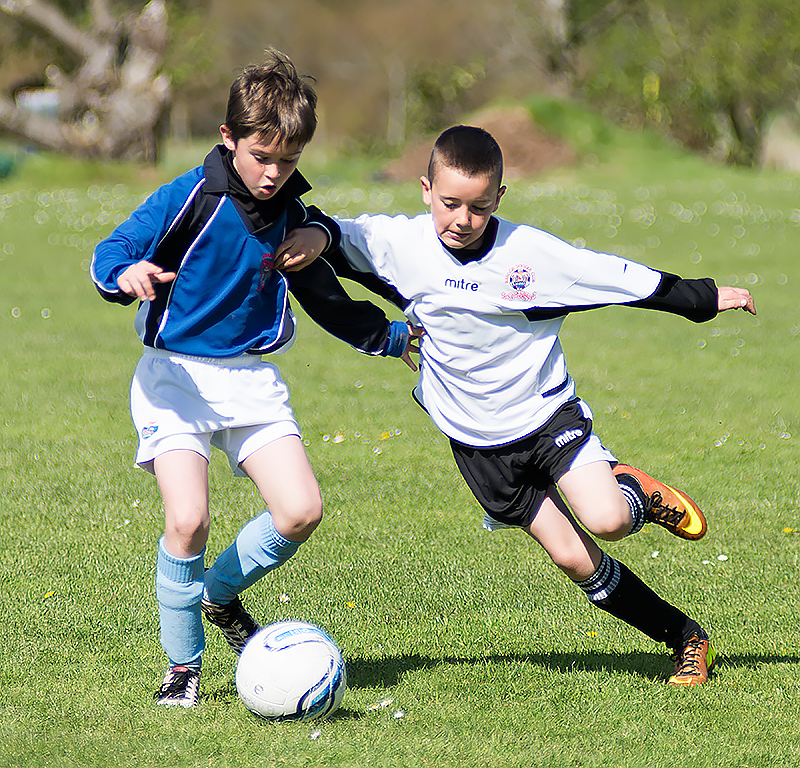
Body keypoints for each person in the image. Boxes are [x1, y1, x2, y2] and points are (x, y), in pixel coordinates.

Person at [325, 125, 757, 687]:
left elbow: (619, 277)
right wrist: (304, 233)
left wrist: (703, 298)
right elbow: (329, 236)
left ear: (499, 198)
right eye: (450, 203)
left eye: (479, 208)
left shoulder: (531, 256)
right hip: (476, 444)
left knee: (607, 520)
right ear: (425, 189)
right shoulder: (398, 245)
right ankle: (686, 638)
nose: (462, 219)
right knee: (576, 562)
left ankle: (635, 493)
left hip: (546, 417)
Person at [90, 50, 414, 708]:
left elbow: (326, 297)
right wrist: (126, 277)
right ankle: (183, 667)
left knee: (300, 510)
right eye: (261, 156)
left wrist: (387, 334)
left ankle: (217, 592)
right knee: (188, 519)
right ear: (228, 138)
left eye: (288, 162)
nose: (273, 173)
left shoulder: (295, 214)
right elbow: (112, 251)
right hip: (174, 380)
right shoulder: (189, 197)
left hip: (250, 383)